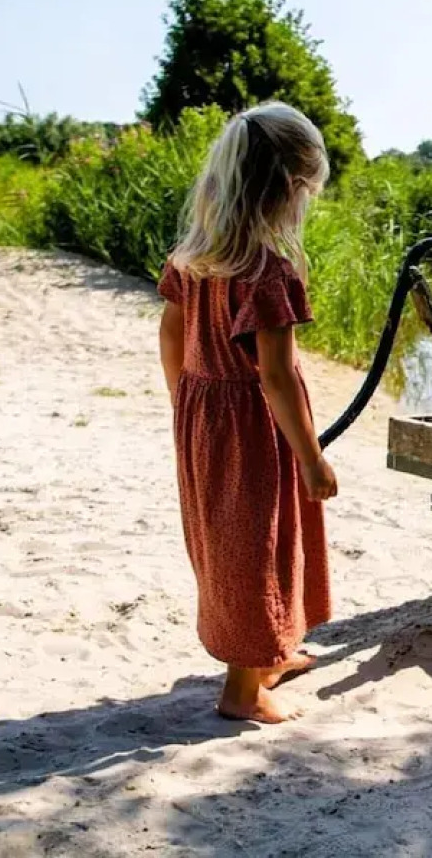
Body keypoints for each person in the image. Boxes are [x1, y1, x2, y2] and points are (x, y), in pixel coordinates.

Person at [156, 102, 338, 724]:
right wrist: (312, 458)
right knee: (256, 547)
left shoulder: (192, 258)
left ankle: (267, 656)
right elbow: (276, 376)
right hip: (254, 427)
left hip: (202, 415)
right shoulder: (267, 274)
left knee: (229, 541)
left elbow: (171, 333)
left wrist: (184, 401)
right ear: (286, 188)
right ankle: (243, 691)